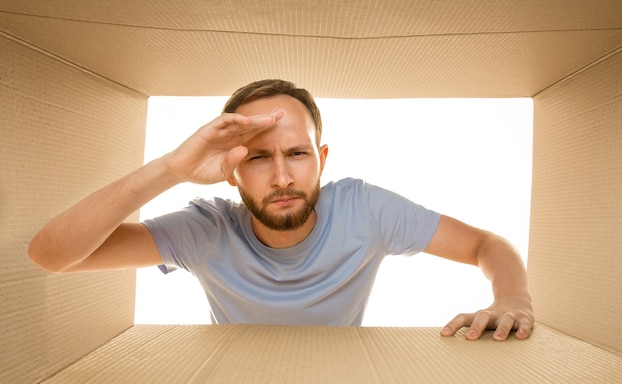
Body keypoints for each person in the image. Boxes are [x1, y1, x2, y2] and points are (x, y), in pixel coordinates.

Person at [28, 79, 534, 340]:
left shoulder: (365, 209)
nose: (283, 177)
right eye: (257, 158)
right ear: (230, 170)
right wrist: (171, 168)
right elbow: (52, 255)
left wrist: (513, 299)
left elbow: (487, 244)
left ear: (322, 160)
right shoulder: (207, 229)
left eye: (297, 153)